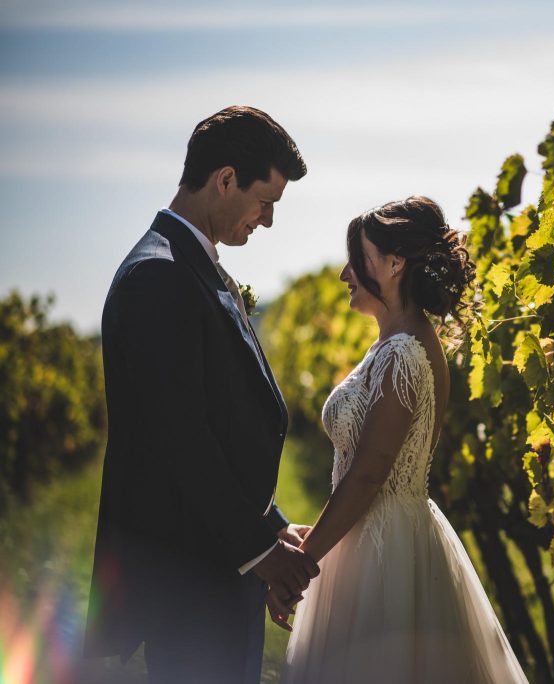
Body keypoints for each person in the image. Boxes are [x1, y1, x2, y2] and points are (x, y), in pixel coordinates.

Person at [84, 105, 320, 684]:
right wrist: (261, 554)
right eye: (266, 202)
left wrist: (271, 527)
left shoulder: (190, 265)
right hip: (192, 578)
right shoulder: (159, 275)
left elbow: (224, 425)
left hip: (217, 563)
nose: (266, 221)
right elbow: (179, 438)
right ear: (224, 179)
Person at [280, 197, 529, 683]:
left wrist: (301, 566)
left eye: (358, 258)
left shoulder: (403, 353)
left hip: (382, 549)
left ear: (395, 264)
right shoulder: (400, 343)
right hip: (376, 534)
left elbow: (371, 473)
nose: (344, 273)